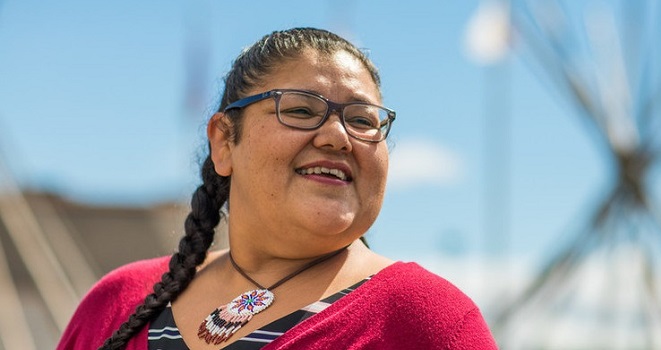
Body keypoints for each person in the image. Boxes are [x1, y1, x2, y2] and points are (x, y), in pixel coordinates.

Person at [57, 27, 498, 350]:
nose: (337, 136)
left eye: (363, 120)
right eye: (302, 110)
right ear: (224, 142)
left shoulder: (428, 321)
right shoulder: (120, 301)